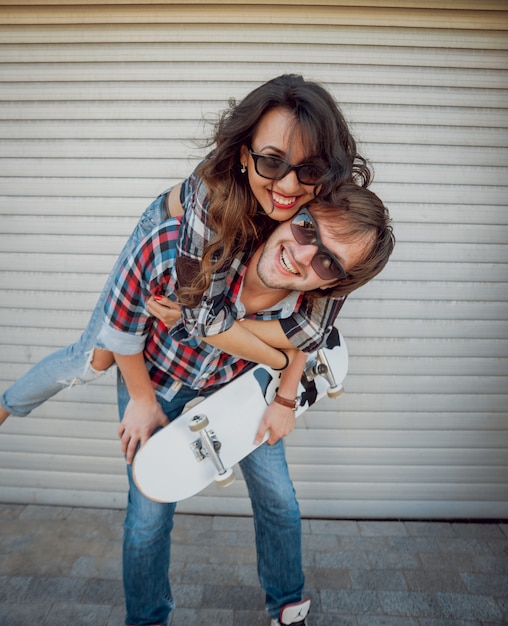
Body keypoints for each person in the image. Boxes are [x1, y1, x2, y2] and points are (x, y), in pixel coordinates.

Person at [98, 185, 395, 626]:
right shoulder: (210, 247)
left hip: (235, 387)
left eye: (327, 261)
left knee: (278, 496)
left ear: (335, 284)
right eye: (307, 228)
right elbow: (120, 324)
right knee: (147, 517)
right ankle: (147, 620)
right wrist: (141, 399)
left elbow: (302, 345)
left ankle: (287, 607)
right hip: (156, 379)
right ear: (293, 210)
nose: (302, 253)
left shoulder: (308, 303)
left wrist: (285, 398)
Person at [0, 74, 370, 426]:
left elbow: (310, 328)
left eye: (309, 169)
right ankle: (6, 405)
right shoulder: (214, 196)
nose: (289, 185)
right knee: (96, 358)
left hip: (238, 250)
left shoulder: (337, 215)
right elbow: (205, 321)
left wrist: (216, 325)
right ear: (245, 155)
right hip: (181, 234)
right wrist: (278, 357)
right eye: (272, 161)